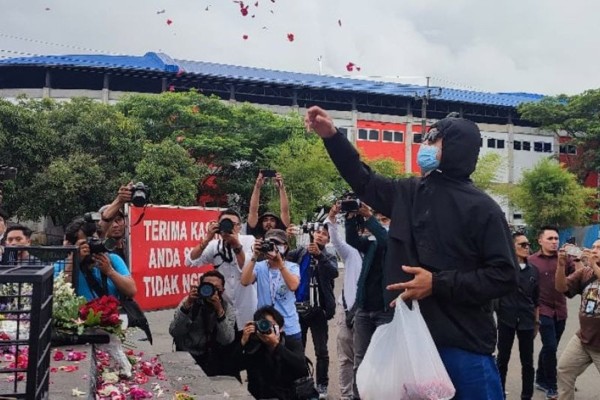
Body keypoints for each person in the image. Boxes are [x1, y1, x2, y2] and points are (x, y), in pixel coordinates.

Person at [306, 106, 518, 399]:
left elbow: (505, 276)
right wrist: (332, 137)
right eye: (425, 137)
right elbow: (364, 179)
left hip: (464, 348)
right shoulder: (407, 193)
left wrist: (437, 283)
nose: (424, 145)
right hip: (410, 343)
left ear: (456, 147)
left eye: (433, 138)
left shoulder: (484, 209)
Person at [345, 202, 391, 399]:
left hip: (386, 310)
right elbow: (352, 240)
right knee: (360, 359)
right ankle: (359, 396)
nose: (381, 223)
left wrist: (370, 218)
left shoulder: (398, 242)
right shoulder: (371, 244)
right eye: (378, 219)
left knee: (386, 359)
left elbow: (386, 241)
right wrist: (351, 219)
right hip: (364, 309)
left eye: (385, 220)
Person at [287, 221, 338, 399]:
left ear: (328, 239)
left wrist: (320, 256)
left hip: (318, 311)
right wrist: (287, 237)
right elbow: (283, 256)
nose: (320, 235)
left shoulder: (329, 256)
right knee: (297, 349)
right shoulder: (301, 251)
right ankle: (300, 383)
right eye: (318, 232)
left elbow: (334, 273)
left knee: (321, 351)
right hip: (297, 309)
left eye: (324, 234)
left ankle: (322, 385)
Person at [185, 209, 256, 330]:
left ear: (239, 227)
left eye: (231, 223)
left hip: (246, 307)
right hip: (224, 308)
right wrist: (207, 239)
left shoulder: (249, 240)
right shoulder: (214, 245)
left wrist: (236, 244)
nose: (227, 226)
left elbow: (244, 268)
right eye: (224, 223)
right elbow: (190, 261)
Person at [528, 226, 573, 399]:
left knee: (549, 347)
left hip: (560, 310)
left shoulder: (565, 259)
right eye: (550, 239)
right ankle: (552, 386)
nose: (554, 242)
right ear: (540, 240)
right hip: (542, 310)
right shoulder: (532, 261)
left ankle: (540, 378)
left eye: (556, 239)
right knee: (551, 347)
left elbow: (574, 280)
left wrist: (576, 260)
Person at [169, 270, 238, 377]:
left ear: (222, 290)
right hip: (187, 355)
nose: (211, 291)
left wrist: (219, 311)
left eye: (216, 288)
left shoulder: (226, 308)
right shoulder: (189, 302)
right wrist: (187, 306)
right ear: (200, 287)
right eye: (208, 287)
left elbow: (227, 339)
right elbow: (174, 331)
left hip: (213, 357)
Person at [495, 232, 540, 400]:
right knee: (502, 359)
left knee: (527, 362)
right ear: (512, 246)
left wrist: (536, 321)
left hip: (527, 321)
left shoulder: (533, 271)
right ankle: (499, 393)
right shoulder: (504, 269)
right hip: (506, 319)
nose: (527, 247)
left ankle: (526, 395)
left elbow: (536, 299)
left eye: (528, 244)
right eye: (522, 244)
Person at [555, 239, 600, 400]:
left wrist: (594, 265)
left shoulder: (591, 268)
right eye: (593, 247)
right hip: (584, 339)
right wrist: (560, 266)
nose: (594, 250)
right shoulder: (585, 272)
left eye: (599, 248)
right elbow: (561, 288)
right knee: (564, 370)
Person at [326, 202, 362, 400]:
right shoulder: (351, 252)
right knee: (345, 359)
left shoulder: (382, 249)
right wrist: (332, 217)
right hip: (347, 309)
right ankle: (346, 395)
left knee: (363, 357)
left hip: (369, 312)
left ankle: (362, 393)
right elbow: (336, 240)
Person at [238, 306, 312, 400]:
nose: (268, 328)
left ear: (281, 328)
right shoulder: (255, 346)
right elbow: (234, 366)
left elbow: (302, 369)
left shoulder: (291, 343)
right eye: (264, 324)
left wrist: (276, 346)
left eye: (271, 325)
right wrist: (242, 342)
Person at [240, 229, 302, 341]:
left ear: (285, 247)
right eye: (269, 244)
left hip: (289, 327)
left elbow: (293, 286)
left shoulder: (292, 267)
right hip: (265, 326)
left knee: (292, 358)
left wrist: (280, 264)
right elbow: (244, 281)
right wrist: (255, 255)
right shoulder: (259, 266)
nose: (273, 248)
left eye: (276, 244)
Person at [55, 216, 136, 300]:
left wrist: (110, 271)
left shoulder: (112, 259)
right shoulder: (62, 265)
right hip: (79, 312)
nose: (91, 246)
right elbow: (59, 295)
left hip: (111, 311)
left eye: (94, 240)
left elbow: (131, 291)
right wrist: (74, 261)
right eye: (85, 243)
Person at [247, 171, 290, 237]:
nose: (268, 222)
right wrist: (257, 187)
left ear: (277, 223)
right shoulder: (255, 233)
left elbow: (285, 211)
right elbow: (253, 211)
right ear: (261, 223)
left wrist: (281, 188)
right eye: (265, 220)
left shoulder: (281, 233)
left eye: (272, 220)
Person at [99, 182, 133, 265]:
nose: (115, 225)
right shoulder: (99, 248)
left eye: (118, 220)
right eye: (111, 222)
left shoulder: (131, 247)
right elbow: (104, 222)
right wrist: (119, 200)